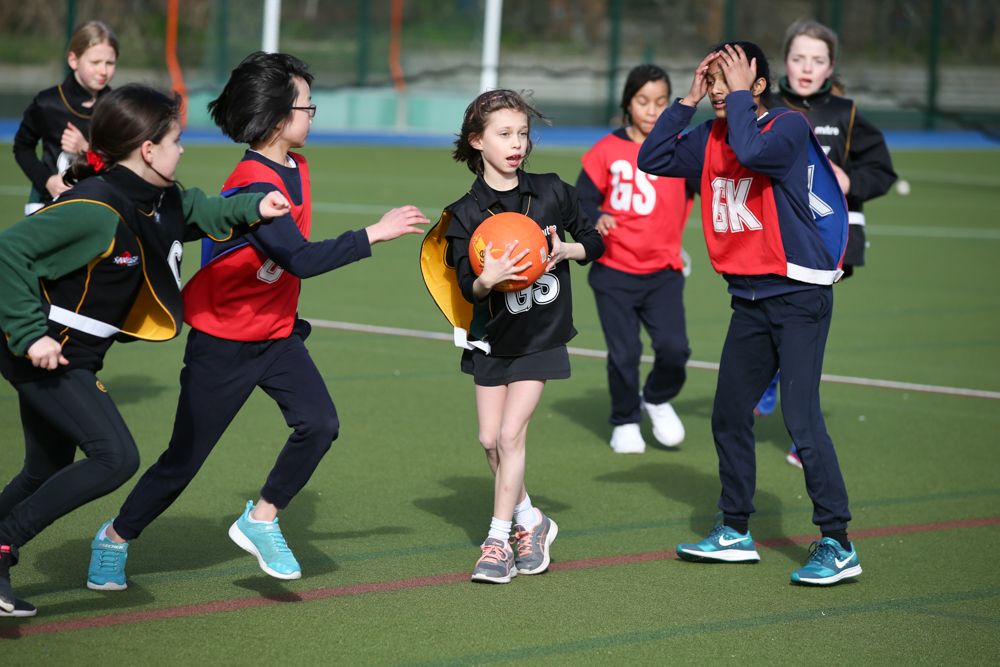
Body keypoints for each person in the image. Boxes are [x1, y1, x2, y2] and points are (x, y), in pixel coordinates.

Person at [86, 53, 429, 589]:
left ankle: (262, 516)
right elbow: (300, 260)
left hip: (275, 334)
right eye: (304, 105)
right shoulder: (251, 182)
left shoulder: (297, 166)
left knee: (319, 423)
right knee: (182, 462)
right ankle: (114, 538)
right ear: (275, 117)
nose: (312, 113)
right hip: (222, 341)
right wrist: (374, 233)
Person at [0, 83, 290, 616]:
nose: (184, 149)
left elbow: (204, 212)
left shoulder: (163, 198)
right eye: (176, 139)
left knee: (45, 468)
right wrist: (28, 334)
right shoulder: (96, 208)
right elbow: (8, 250)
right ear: (148, 150)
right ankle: (4, 542)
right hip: (46, 349)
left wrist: (257, 206)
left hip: (78, 354)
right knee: (115, 457)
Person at [638, 42, 861, 585]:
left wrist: (737, 96)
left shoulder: (786, 125)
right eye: (711, 77)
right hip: (751, 299)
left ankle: (837, 541)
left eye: (728, 76)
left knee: (801, 421)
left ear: (758, 83)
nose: (717, 86)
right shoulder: (713, 131)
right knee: (728, 413)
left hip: (798, 295)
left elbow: (754, 151)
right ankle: (734, 529)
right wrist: (687, 101)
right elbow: (653, 158)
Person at [421, 89, 603, 583]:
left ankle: (497, 541)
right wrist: (488, 276)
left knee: (509, 434)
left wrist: (568, 251)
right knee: (488, 441)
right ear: (477, 141)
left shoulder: (552, 191)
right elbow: (467, 287)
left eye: (522, 133)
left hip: (541, 334)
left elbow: (595, 241)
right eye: (504, 134)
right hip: (491, 338)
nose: (517, 143)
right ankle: (532, 520)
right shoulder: (465, 213)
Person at [754, 21, 897, 469]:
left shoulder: (847, 114)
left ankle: (803, 433)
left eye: (817, 61)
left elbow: (882, 170)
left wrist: (850, 179)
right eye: (798, 58)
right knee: (778, 327)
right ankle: (774, 373)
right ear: (785, 62)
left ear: (831, 67)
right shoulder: (764, 107)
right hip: (773, 239)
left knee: (805, 336)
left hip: (827, 244)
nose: (806, 68)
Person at [575, 64, 695, 454]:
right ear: (628, 103)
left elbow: (716, 183)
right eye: (643, 101)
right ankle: (626, 419)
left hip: (663, 272)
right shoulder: (606, 149)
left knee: (675, 350)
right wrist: (597, 217)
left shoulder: (682, 149)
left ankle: (656, 397)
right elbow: (581, 200)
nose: (652, 110)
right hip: (613, 272)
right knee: (625, 353)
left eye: (661, 102)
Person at [13, 20, 119, 216]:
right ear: (73, 60)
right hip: (50, 206)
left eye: (110, 63)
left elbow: (122, 164)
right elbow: (22, 147)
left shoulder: (117, 107)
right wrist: (48, 181)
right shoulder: (47, 103)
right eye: (95, 62)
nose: (103, 71)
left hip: (99, 206)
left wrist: (86, 149)